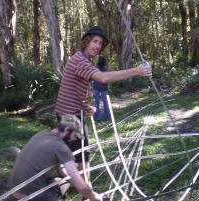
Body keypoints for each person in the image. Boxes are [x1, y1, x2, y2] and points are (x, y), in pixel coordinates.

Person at [54, 26, 152, 187]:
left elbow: (77, 90)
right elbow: (102, 78)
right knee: (83, 152)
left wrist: (87, 108)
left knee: (68, 149)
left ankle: (64, 174)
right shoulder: (80, 61)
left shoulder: (84, 60)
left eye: (100, 43)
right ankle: (87, 191)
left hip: (68, 112)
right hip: (69, 115)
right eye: (95, 41)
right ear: (86, 42)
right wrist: (137, 71)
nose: (97, 46)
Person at [7, 114, 102, 201]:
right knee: (63, 183)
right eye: (75, 137)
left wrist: (70, 178)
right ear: (67, 130)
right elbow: (81, 186)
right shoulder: (61, 148)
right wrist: (94, 196)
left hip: (13, 190)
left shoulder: (41, 134)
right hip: (32, 197)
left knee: (61, 180)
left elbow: (60, 167)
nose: (74, 141)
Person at [92, 55, 111, 122]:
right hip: (103, 88)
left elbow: (92, 78)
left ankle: (97, 118)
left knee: (96, 103)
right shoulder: (106, 69)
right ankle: (107, 117)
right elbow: (108, 79)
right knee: (105, 103)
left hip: (96, 87)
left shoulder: (95, 68)